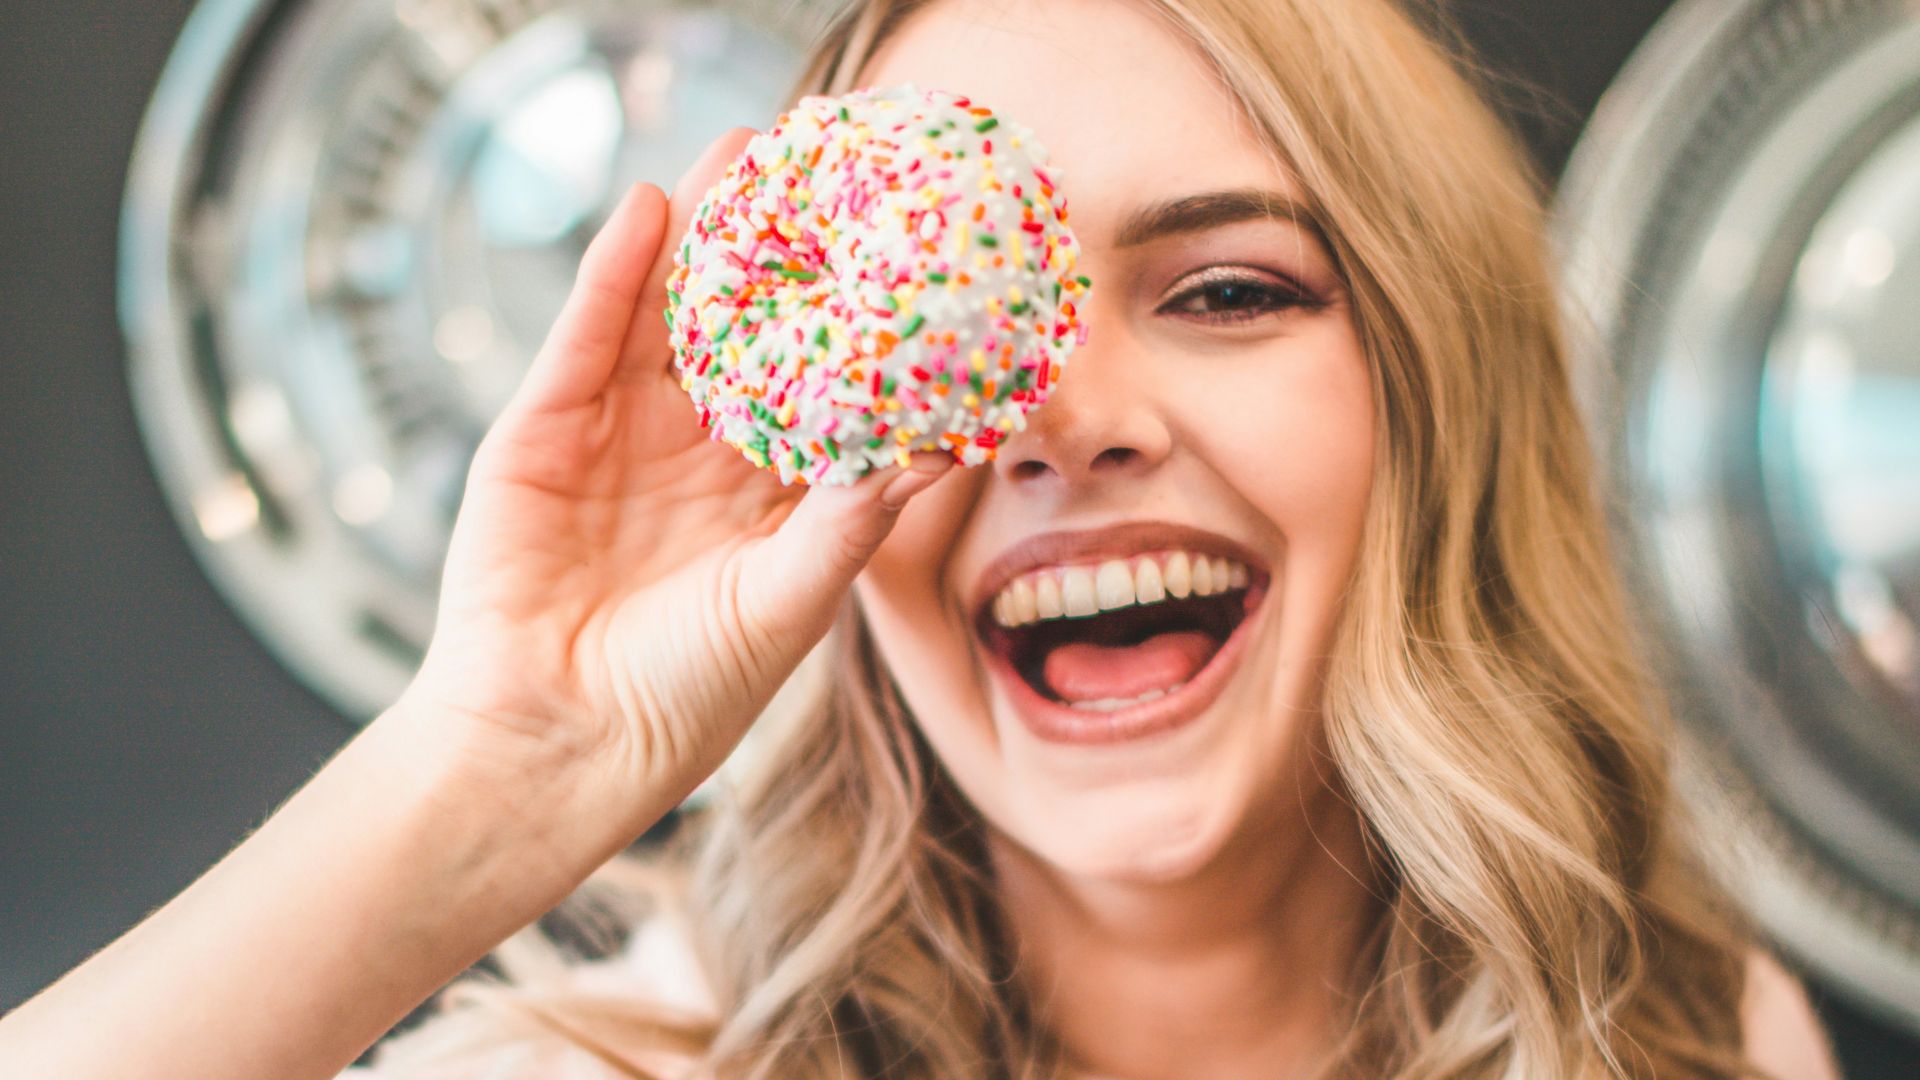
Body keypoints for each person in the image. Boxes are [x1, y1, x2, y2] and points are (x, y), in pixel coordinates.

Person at [0, 0, 1848, 1077]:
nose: (1061, 413)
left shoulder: (1684, 1028)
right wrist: (497, 771)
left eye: (1220, 286)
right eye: (944, 321)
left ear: (1433, 391)